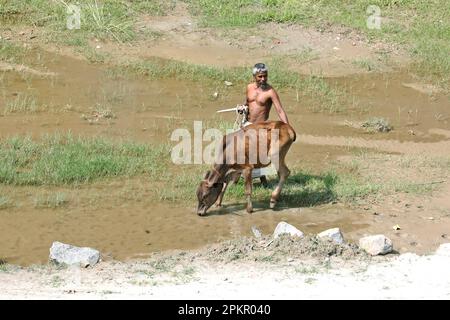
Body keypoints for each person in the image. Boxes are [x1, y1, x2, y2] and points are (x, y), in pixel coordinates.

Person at [243, 63, 291, 187]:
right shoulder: (249, 88)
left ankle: (260, 179)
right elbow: (247, 103)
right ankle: (239, 177)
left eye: (265, 76)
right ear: (254, 76)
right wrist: (242, 108)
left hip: (260, 127)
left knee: (258, 155)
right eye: (260, 76)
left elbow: (280, 110)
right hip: (246, 124)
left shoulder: (270, 92)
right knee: (238, 153)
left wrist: (287, 128)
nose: (263, 79)